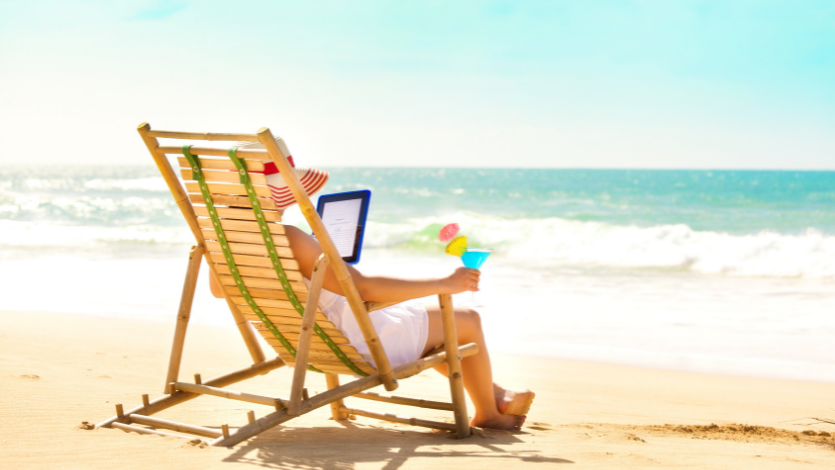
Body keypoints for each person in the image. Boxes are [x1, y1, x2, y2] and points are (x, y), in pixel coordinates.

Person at [209, 224, 534, 431]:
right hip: (358, 342)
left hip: (307, 342)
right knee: (467, 320)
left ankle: (494, 394)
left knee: (426, 321)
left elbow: (218, 290)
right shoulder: (289, 237)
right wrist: (445, 282)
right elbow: (363, 290)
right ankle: (488, 414)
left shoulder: (226, 242)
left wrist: (317, 252)